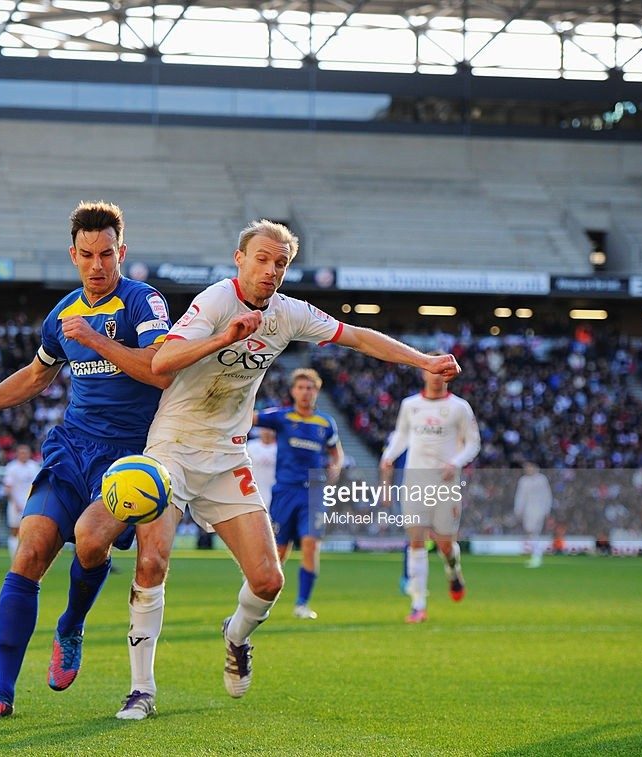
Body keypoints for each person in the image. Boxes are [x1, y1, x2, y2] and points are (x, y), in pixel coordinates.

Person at [113, 219, 460, 720]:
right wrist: (223, 337)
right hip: (173, 447)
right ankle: (141, 689)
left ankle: (235, 637)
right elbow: (164, 362)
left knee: (269, 581)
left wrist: (421, 360)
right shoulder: (214, 302)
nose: (271, 270)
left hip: (229, 454)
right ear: (240, 258)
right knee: (152, 563)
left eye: (280, 263)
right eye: (262, 259)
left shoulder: (289, 314)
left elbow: (357, 337)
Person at [0, 201, 172, 720]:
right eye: (87, 255)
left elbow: (159, 370)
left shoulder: (143, 302)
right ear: (74, 255)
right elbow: (37, 375)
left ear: (121, 252)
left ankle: (71, 625)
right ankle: (0, 692)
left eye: (107, 254)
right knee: (30, 552)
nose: (98, 265)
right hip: (71, 449)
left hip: (128, 457)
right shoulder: (63, 313)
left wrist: (94, 341)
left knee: (89, 540)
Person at [380, 355, 480, 624]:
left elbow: (473, 444)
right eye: (431, 370)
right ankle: (418, 604)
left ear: (447, 375)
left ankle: (453, 572)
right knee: (416, 541)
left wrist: (455, 462)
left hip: (446, 483)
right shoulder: (410, 406)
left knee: (445, 544)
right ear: (424, 373)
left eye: (441, 371)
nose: (435, 375)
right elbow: (401, 435)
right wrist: (389, 457)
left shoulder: (459, 408)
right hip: (414, 481)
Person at [254, 368, 343, 620]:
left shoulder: (325, 423)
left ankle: (302, 604)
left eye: (310, 388)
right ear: (293, 391)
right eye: (301, 388)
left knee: (311, 545)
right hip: (285, 492)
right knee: (279, 551)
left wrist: (334, 470)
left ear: (317, 391)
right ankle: (260, 602)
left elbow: (336, 453)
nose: (305, 392)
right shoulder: (282, 417)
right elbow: (250, 418)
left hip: (313, 493)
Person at [2, 444, 41, 561]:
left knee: (31, 532)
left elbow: (38, 486)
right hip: (15, 505)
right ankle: (15, 559)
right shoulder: (11, 467)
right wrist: (15, 503)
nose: (23, 455)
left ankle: (29, 558)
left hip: (32, 504)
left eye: (26, 452)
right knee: (14, 531)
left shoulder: (34, 467)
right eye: (21, 452)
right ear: (17, 454)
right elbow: (8, 488)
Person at [513, 461, 552, 568]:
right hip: (527, 510)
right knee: (531, 532)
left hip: (539, 509)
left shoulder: (542, 479)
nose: (527, 469)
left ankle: (537, 557)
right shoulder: (523, 480)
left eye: (529, 467)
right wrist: (518, 510)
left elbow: (547, 495)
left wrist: (547, 510)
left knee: (534, 531)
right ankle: (536, 556)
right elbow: (520, 496)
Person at [245, 428, 277, 509]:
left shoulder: (280, 448)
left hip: (273, 492)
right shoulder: (250, 445)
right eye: (264, 428)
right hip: (255, 492)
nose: (267, 431)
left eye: (269, 429)